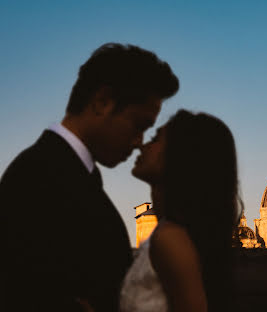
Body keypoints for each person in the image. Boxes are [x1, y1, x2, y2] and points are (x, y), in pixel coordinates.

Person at [0, 43, 179, 311]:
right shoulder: (39, 178)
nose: (140, 142)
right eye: (139, 125)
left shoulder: (59, 172)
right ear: (102, 102)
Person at [120, 110, 242, 312]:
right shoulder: (172, 234)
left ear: (181, 155)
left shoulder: (169, 238)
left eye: (155, 139)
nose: (142, 145)